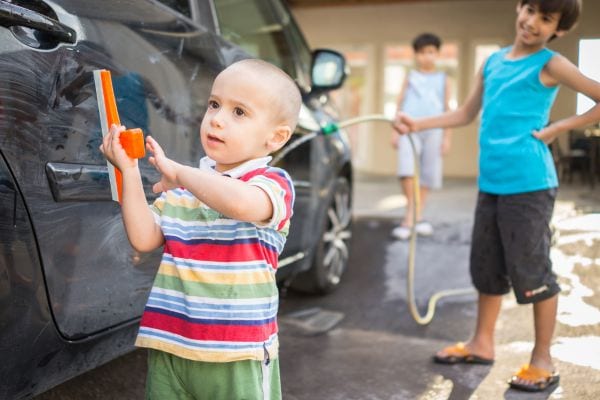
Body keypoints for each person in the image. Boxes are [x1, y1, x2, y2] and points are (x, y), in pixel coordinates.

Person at [394, 0, 600, 392]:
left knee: (532, 270)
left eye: (546, 18)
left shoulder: (550, 63)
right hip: (491, 182)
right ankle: (481, 343)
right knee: (486, 266)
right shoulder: (492, 62)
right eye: (530, 10)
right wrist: (416, 123)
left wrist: (559, 127)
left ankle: (542, 361)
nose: (532, 22)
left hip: (530, 185)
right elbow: (465, 114)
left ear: (559, 29)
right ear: (519, 6)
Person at [100, 58, 301, 399]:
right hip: (171, 345)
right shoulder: (182, 192)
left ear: (276, 137)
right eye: (214, 104)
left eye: (239, 112)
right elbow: (143, 237)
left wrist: (182, 174)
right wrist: (129, 172)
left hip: (238, 352)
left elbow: (240, 204)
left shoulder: (271, 184)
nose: (218, 119)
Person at [390, 32, 452, 240]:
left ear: (437, 54)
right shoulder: (410, 77)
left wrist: (447, 137)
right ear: (416, 55)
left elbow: (447, 109)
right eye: (423, 53)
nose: (427, 57)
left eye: (431, 52)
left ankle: (417, 216)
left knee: (428, 172)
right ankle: (411, 215)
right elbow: (399, 104)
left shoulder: (444, 79)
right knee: (407, 169)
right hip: (408, 129)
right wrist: (394, 130)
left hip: (434, 130)